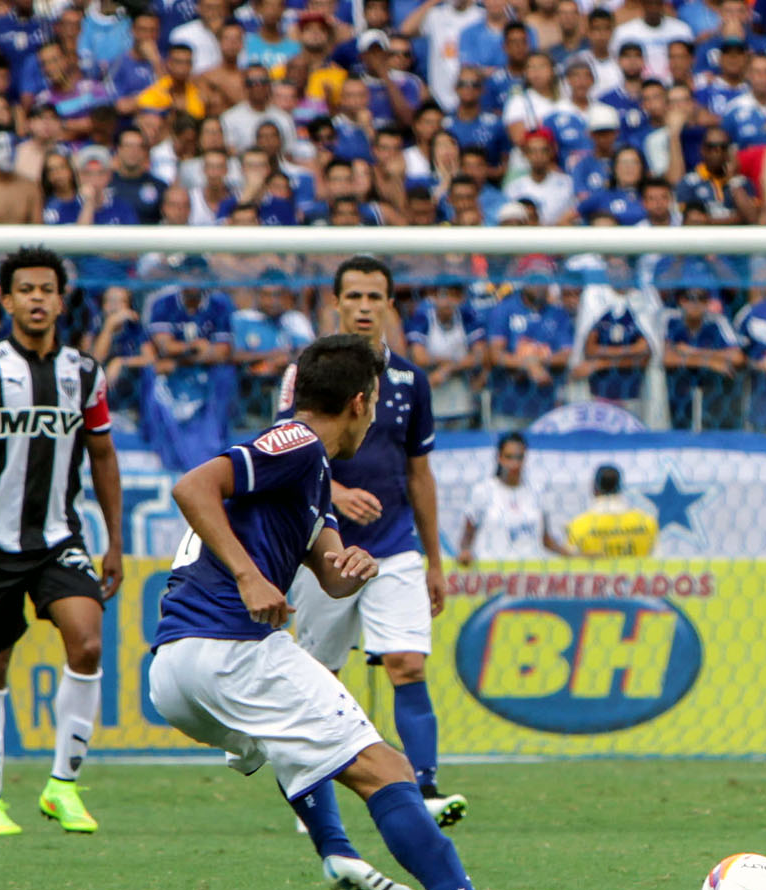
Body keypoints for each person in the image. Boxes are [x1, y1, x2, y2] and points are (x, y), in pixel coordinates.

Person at [146, 334, 564, 890]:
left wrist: (352, 567)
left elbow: (330, 571)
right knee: (388, 770)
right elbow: (193, 487)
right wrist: (248, 575)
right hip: (228, 645)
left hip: (176, 673)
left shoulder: (315, 475)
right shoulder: (296, 441)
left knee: (298, 744)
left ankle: (336, 851)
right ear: (362, 402)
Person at [0, 248, 124, 836]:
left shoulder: (85, 372)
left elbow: (102, 455)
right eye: (26, 290)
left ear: (61, 300)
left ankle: (62, 787)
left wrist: (114, 541)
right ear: (8, 299)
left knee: (88, 644)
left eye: (47, 289)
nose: (38, 299)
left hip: (57, 538)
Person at [282, 256, 465, 835]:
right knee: (319, 674)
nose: (364, 306)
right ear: (335, 303)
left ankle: (426, 789)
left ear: (390, 304)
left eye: (375, 297)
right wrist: (336, 490)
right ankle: (312, 792)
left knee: (407, 664)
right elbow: (282, 451)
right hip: (322, 546)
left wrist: (436, 560)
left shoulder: (411, 380)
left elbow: (420, 474)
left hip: (395, 546)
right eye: (354, 296)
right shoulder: (304, 377)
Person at [457, 432, 578, 563]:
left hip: (528, 573)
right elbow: (467, 536)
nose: (514, 463)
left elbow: (546, 540)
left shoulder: (537, 491)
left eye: (519, 457)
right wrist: (465, 552)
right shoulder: (484, 491)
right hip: (493, 573)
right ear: (499, 458)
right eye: (509, 457)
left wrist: (576, 556)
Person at [567, 464, 658, 556]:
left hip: (597, 570)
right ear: (620, 487)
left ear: (594, 488)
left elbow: (571, 565)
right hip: (636, 570)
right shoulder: (647, 522)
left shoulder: (578, 525)